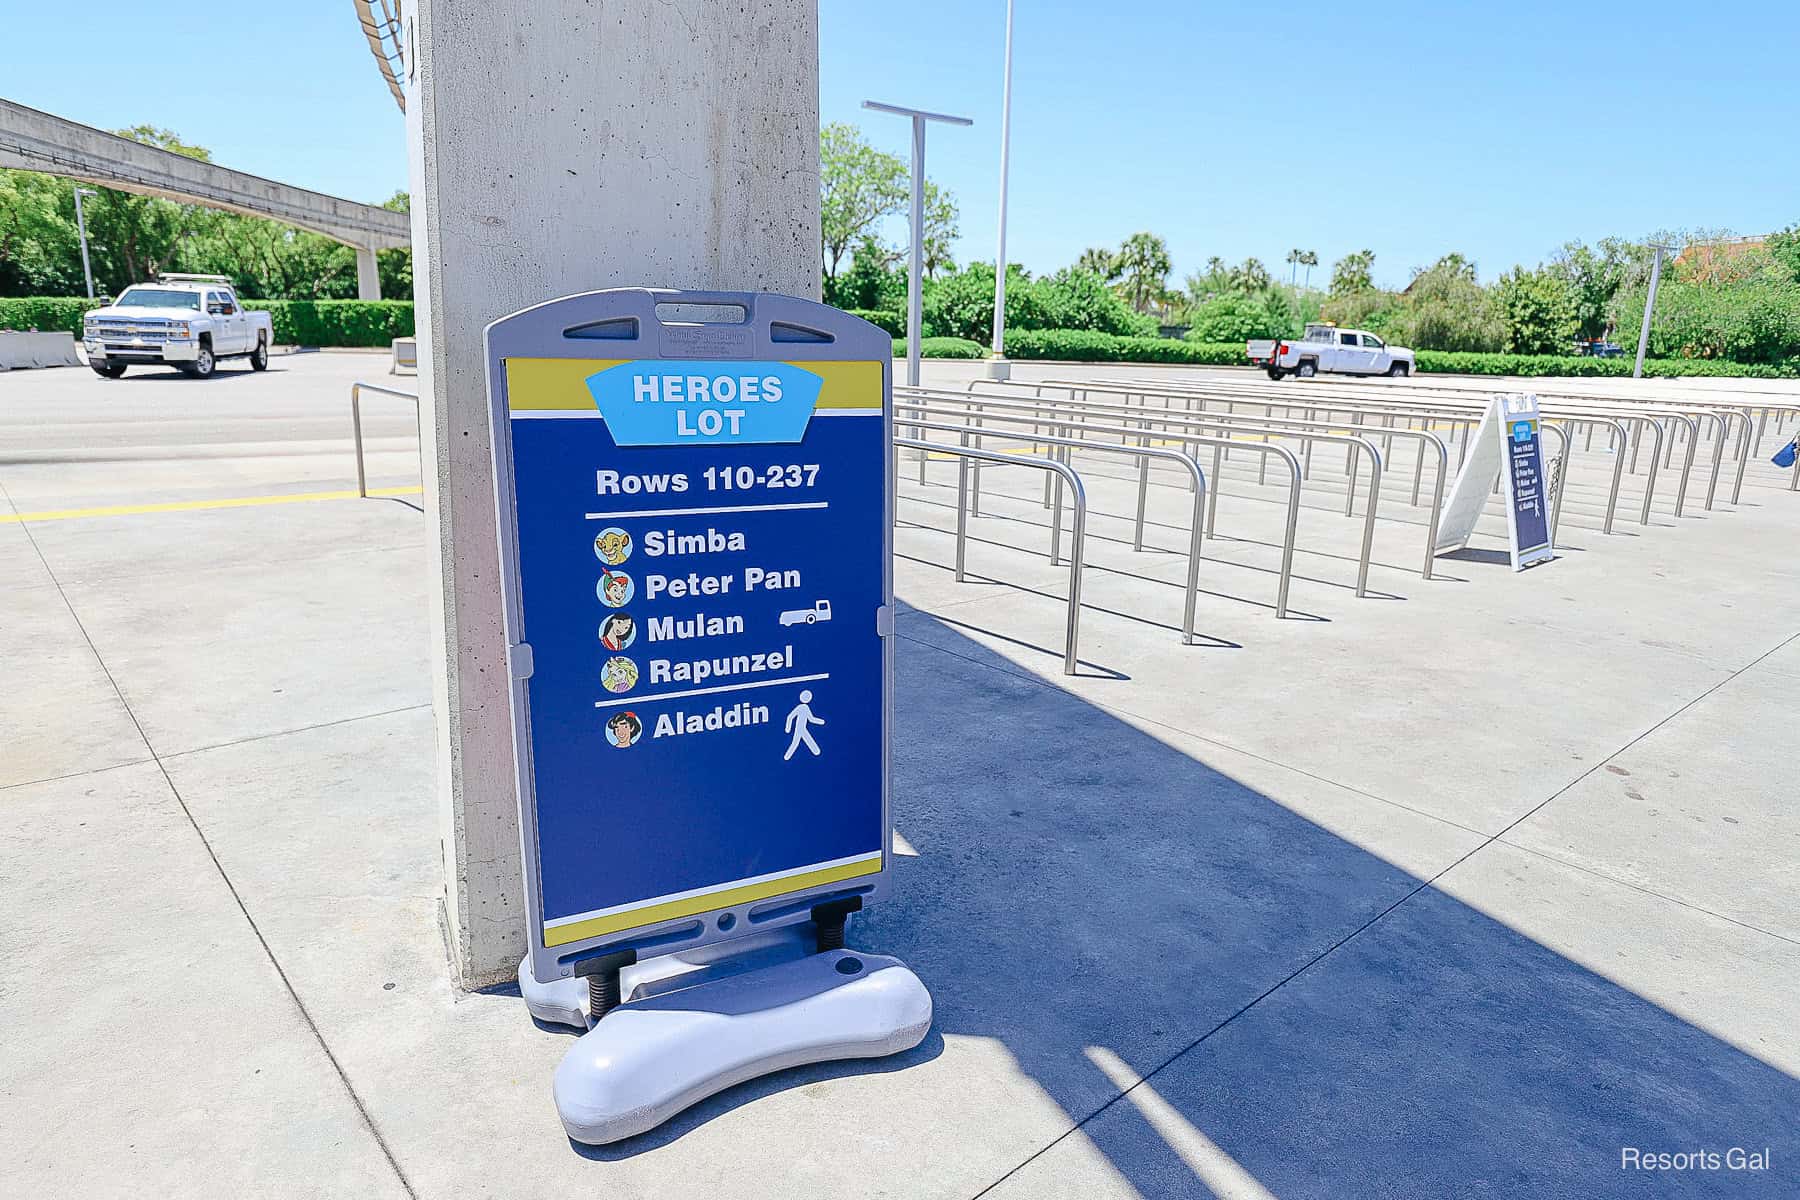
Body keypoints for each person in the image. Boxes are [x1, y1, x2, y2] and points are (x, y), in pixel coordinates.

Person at [783, 690, 824, 760]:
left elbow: (811, 719)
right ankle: (786, 757)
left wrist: (821, 721)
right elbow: (790, 716)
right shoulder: (800, 707)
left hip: (803, 728)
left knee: (804, 740)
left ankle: (816, 751)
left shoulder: (806, 707)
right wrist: (788, 728)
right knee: (795, 743)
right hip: (799, 728)